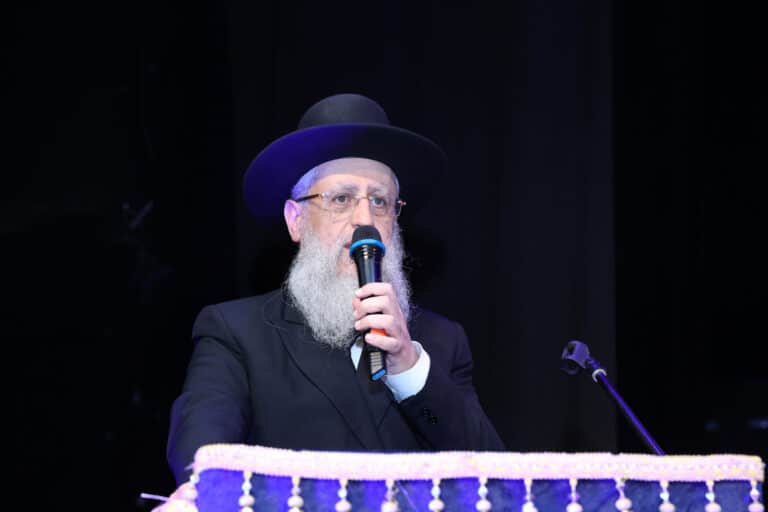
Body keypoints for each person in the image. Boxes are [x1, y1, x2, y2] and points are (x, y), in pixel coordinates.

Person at [166, 93, 504, 486]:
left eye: (380, 202)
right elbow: (202, 456)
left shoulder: (441, 343)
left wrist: (408, 369)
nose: (365, 220)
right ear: (295, 220)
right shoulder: (236, 333)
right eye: (341, 199)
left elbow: (493, 476)